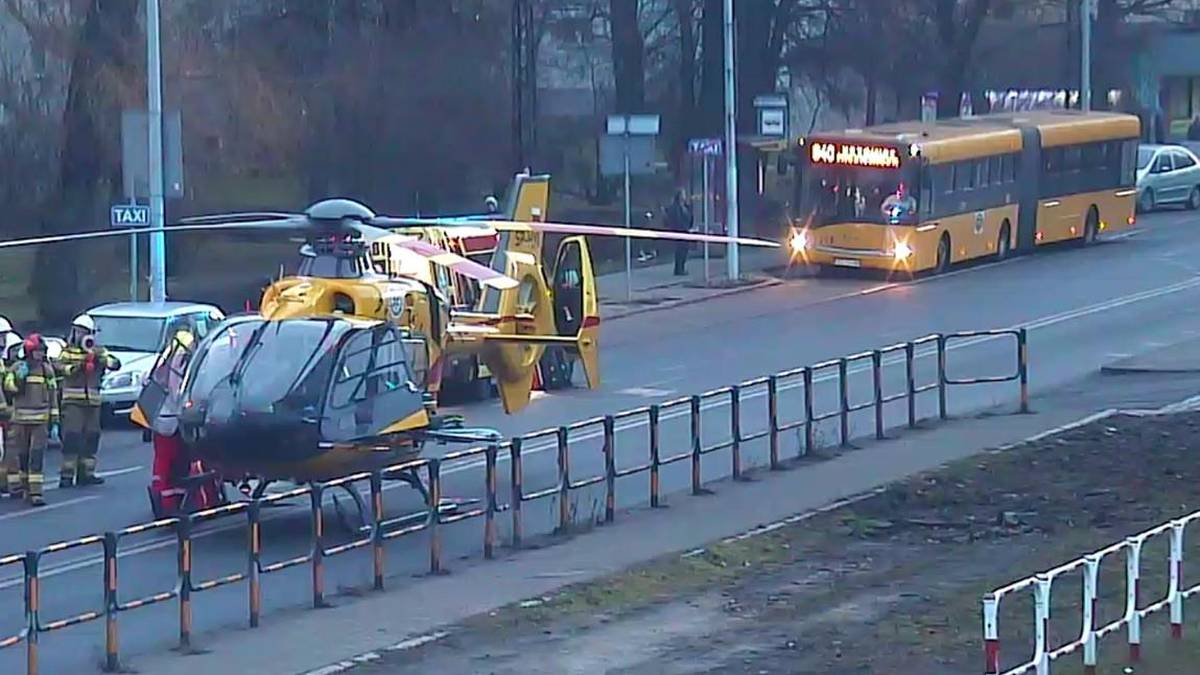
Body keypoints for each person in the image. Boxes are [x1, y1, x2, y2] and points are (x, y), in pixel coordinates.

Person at [55, 314, 121, 487]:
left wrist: (101, 359)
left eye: (83, 332)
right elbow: (61, 368)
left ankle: (87, 473)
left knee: (92, 435)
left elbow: (115, 364)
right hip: (72, 402)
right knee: (72, 435)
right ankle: (67, 475)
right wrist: (79, 366)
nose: (80, 335)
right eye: (77, 332)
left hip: (92, 402)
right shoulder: (67, 352)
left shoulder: (98, 351)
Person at [2, 334, 59, 506]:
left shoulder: (46, 369)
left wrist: (54, 419)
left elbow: (52, 394)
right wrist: (19, 377)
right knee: (23, 455)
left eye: (42, 352)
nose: (40, 355)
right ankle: (25, 488)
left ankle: (36, 492)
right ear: (28, 351)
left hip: (40, 420)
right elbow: (8, 388)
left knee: (36, 455)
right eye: (37, 352)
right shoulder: (17, 368)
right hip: (20, 421)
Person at [663, 190, 694, 276]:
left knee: (684, 250)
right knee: (680, 250)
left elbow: (690, 217)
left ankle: (681, 268)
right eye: (683, 194)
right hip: (679, 231)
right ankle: (678, 269)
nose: (685, 196)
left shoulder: (685, 206)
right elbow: (675, 220)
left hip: (686, 231)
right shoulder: (675, 207)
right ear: (679, 195)